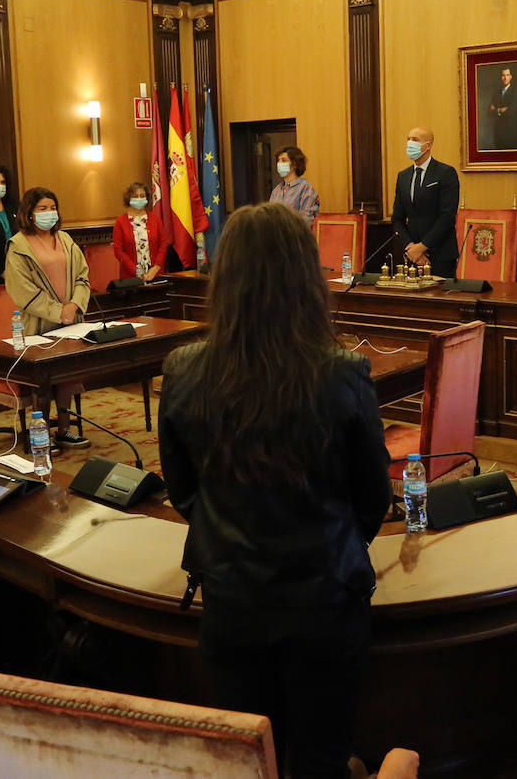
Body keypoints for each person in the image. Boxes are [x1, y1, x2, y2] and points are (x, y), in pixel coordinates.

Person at [159, 201, 391, 778]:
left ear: (227, 280)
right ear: (305, 280)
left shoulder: (184, 369)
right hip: (326, 603)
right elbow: (373, 499)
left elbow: (183, 491)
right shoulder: (341, 372)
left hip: (233, 601)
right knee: (320, 758)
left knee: (249, 760)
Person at [4, 187, 92, 451]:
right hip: (38, 325)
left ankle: (64, 430)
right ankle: (38, 436)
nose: (49, 213)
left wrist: (74, 305)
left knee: (66, 375)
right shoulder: (18, 246)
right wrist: (58, 312)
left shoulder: (66, 240)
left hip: (70, 322)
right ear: (29, 213)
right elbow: (22, 290)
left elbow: (82, 276)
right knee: (41, 381)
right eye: (42, 209)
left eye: (52, 207)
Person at [390, 127, 460, 278]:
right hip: (411, 256)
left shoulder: (446, 173)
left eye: (415, 140)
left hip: (440, 255)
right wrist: (411, 248)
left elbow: (447, 216)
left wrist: (422, 247)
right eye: (408, 139)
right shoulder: (403, 176)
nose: (410, 143)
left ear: (428, 145)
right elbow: (397, 218)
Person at [113, 182, 169, 281]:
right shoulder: (120, 222)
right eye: (135, 196)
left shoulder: (155, 219)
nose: (139, 199)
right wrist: (137, 272)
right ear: (129, 199)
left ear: (147, 198)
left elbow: (163, 244)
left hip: (156, 275)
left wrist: (156, 268)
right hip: (131, 278)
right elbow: (118, 251)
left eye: (142, 196)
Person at [268, 145, 320, 226]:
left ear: (295, 164)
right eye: (278, 160)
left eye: (284, 160)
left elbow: (307, 221)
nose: (279, 163)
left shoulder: (305, 188)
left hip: (296, 236)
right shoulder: (276, 190)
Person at [487, 66, 517, 150]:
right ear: (501, 77)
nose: (505, 78)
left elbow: (511, 111)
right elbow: (489, 112)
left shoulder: (516, 92)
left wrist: (496, 110)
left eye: (507, 75)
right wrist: (500, 110)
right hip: (498, 132)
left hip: (510, 132)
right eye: (503, 75)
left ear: (511, 77)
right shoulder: (496, 92)